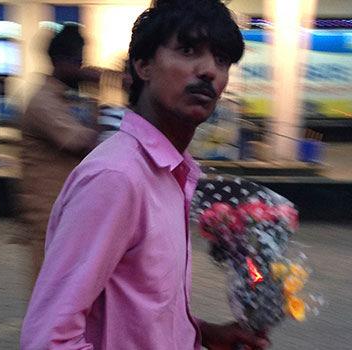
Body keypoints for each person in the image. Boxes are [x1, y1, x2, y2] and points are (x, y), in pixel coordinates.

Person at [21, 1, 269, 349]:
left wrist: (202, 333)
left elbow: (141, 309)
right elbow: (48, 340)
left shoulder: (172, 173)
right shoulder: (117, 178)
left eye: (222, 59)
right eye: (187, 50)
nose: (209, 70)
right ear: (143, 65)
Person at [19, 24, 100, 285]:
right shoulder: (44, 102)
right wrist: (102, 90)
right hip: (48, 218)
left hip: (66, 214)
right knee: (50, 294)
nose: (82, 68)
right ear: (60, 62)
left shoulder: (64, 99)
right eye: (78, 62)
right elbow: (84, 142)